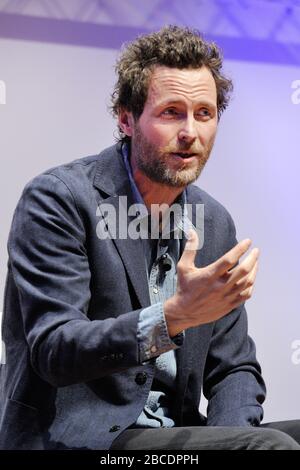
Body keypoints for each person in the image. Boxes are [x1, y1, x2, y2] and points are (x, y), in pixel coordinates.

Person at [0, 25, 299, 451]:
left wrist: (230, 438)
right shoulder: (59, 199)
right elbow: (55, 350)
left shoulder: (211, 220)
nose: (190, 133)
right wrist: (171, 318)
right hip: (82, 439)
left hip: (173, 434)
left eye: (204, 114)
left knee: (266, 442)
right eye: (171, 112)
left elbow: (234, 369)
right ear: (126, 119)